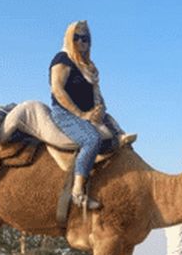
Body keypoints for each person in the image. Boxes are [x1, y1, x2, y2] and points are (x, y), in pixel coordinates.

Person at [49, 20, 135, 210]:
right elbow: (57, 90)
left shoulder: (90, 67)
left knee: (119, 137)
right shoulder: (62, 60)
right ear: (69, 38)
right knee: (92, 139)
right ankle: (77, 192)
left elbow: (98, 96)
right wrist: (82, 114)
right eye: (76, 38)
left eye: (85, 39)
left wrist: (99, 110)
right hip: (65, 114)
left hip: (87, 114)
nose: (81, 42)